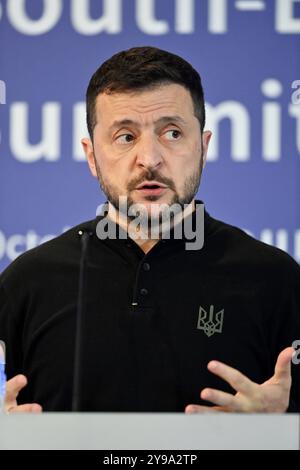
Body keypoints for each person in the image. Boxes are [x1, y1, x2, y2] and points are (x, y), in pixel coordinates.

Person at [0, 46, 299, 413]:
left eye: (172, 133)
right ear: (92, 156)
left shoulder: (276, 280)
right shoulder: (26, 284)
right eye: (125, 137)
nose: (150, 159)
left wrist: (285, 426)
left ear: (203, 148)